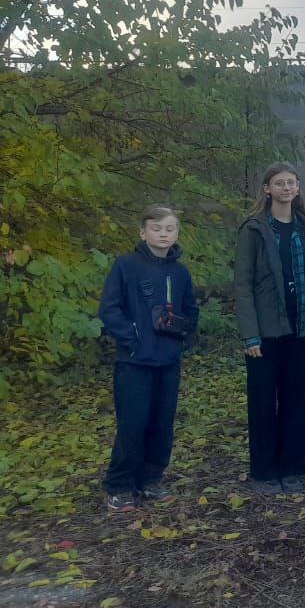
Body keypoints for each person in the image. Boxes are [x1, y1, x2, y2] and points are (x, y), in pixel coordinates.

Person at [235, 163, 305, 495]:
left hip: (301, 329)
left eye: (291, 182)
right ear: (267, 189)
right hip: (265, 333)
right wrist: (249, 334)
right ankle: (264, 472)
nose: (286, 188)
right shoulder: (254, 229)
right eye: (279, 183)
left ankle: (291, 468)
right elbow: (243, 284)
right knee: (263, 402)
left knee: (296, 400)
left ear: (298, 187)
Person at [98, 205, 199, 512]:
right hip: (135, 362)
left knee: (162, 423)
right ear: (143, 233)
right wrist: (133, 340)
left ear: (177, 233)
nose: (163, 234)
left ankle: (151, 479)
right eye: (156, 228)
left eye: (169, 229)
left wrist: (181, 339)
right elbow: (110, 309)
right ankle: (119, 486)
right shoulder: (126, 266)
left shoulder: (180, 273)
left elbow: (190, 310)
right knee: (133, 423)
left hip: (168, 361)